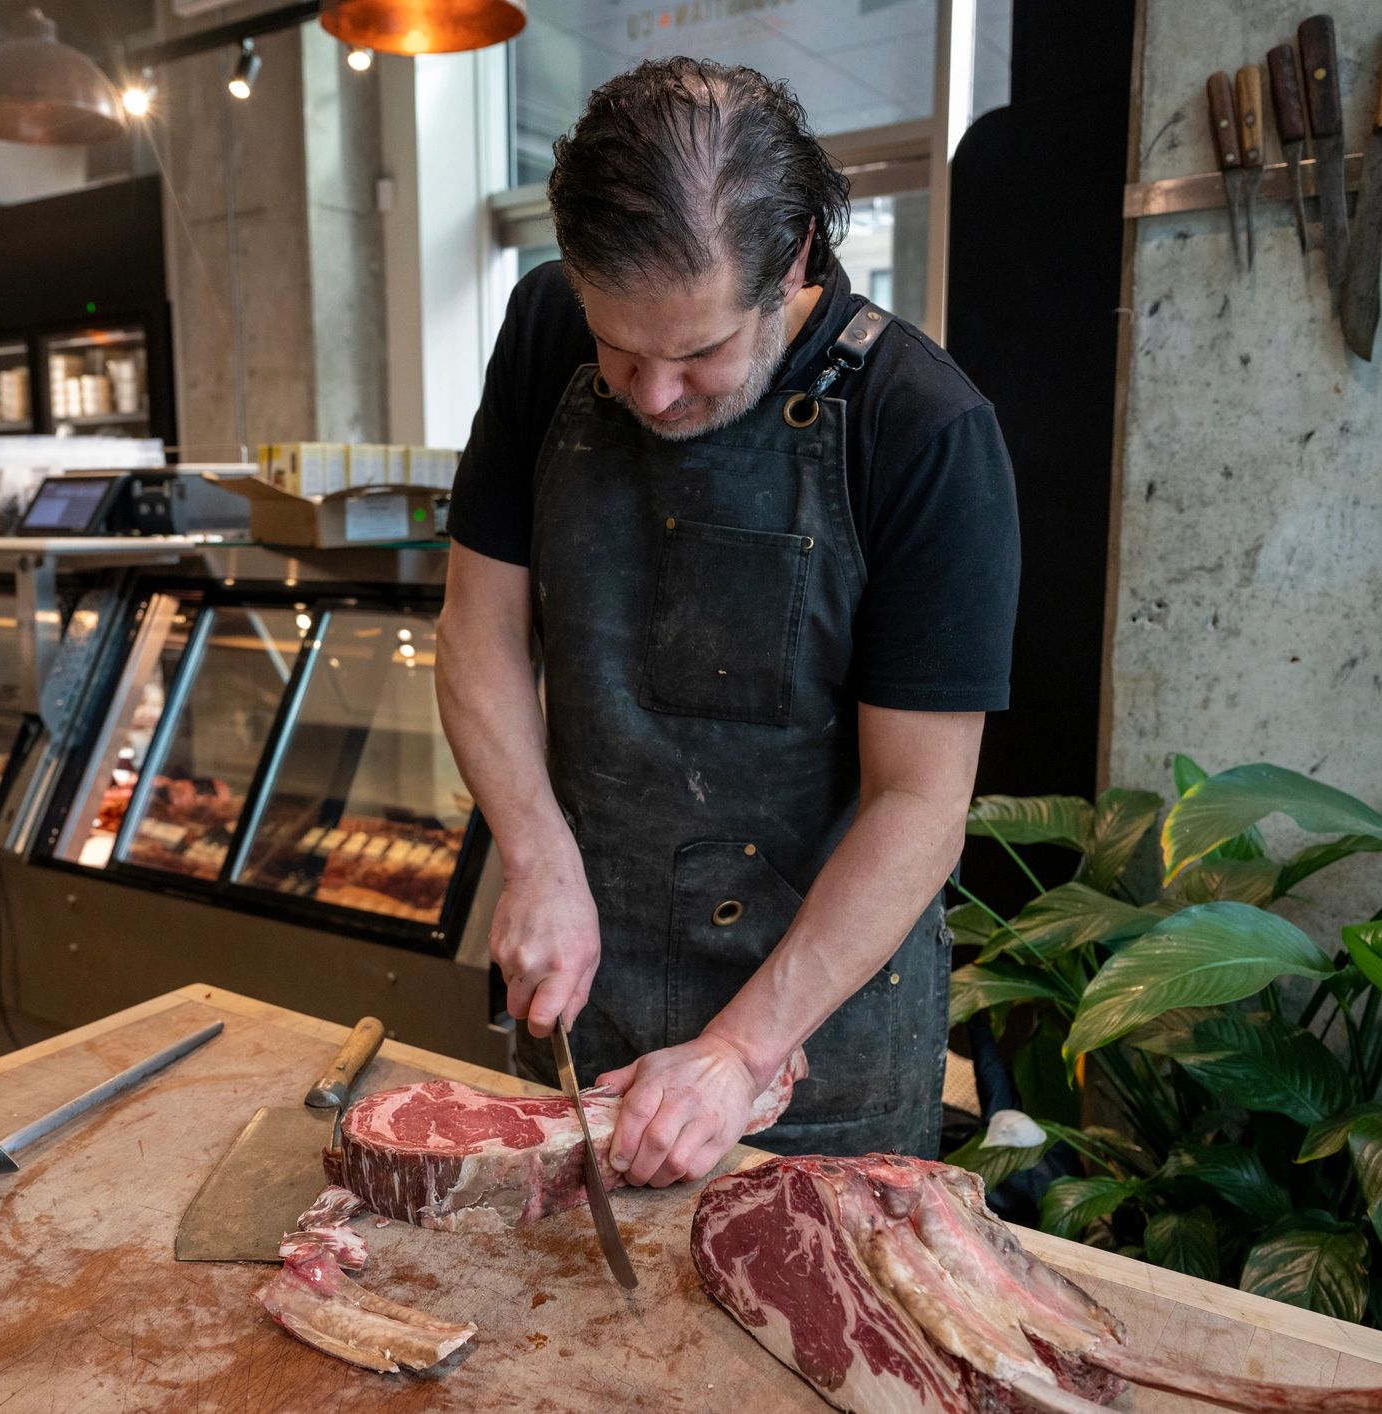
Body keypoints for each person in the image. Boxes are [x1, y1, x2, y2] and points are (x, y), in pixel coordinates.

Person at [434, 57, 1021, 1189]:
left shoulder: (923, 429)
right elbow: (477, 628)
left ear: (792, 258)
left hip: (818, 1030)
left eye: (697, 354)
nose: (651, 395)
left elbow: (920, 802)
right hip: (589, 994)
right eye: (618, 349)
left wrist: (746, 1048)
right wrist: (537, 850)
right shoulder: (542, 328)